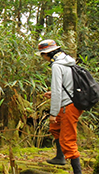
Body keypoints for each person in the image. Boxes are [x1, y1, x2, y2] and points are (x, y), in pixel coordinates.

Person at [37, 39, 82, 174]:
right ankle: (60, 157)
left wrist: (53, 113)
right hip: (70, 101)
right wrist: (55, 93)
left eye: (42, 54)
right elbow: (67, 84)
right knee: (55, 128)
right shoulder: (68, 60)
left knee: (68, 140)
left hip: (69, 105)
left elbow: (57, 90)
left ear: (47, 54)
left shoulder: (57, 65)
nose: (42, 57)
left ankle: (77, 172)